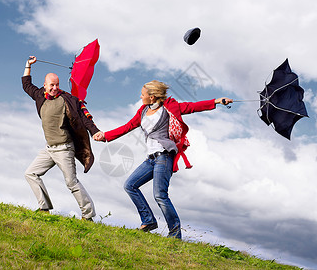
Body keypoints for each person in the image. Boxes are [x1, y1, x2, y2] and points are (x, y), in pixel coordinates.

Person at [93, 80, 233, 238]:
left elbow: (193, 107)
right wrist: (105, 136)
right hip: (150, 159)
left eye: (143, 94)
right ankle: (149, 220)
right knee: (130, 185)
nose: (140, 96)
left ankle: (175, 234)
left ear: (152, 97)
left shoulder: (170, 107)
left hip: (164, 156)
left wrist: (216, 101)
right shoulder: (143, 111)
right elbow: (127, 127)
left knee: (160, 195)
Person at [22, 56, 102, 220]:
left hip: (64, 148)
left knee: (71, 183)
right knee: (30, 173)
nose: (55, 88)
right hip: (49, 148)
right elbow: (26, 84)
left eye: (57, 84)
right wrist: (28, 65)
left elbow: (84, 116)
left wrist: (95, 131)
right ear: (45, 85)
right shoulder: (40, 96)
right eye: (52, 85)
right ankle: (44, 208)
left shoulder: (68, 100)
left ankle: (88, 215)